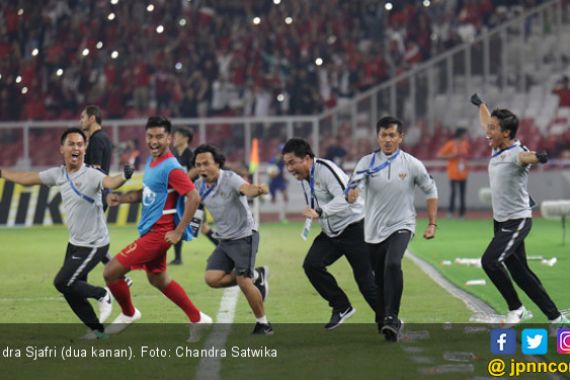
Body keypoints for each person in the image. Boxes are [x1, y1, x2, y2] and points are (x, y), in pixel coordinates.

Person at [0, 128, 133, 339]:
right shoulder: (58, 174)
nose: (76, 148)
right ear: (62, 149)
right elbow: (28, 178)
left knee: (62, 282)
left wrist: (124, 176)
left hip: (95, 244)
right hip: (75, 243)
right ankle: (98, 332)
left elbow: (110, 182)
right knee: (69, 289)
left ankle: (102, 294)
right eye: (71, 144)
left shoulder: (92, 174)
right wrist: (3, 173)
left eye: (80, 144)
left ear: (84, 149)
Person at [103, 116, 212, 342]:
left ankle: (128, 314)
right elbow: (148, 194)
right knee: (158, 280)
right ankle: (197, 318)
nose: (154, 141)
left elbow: (193, 197)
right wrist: (122, 199)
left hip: (159, 234)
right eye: (150, 136)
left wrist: (178, 231)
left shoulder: (172, 167)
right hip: (150, 231)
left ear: (169, 138)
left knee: (111, 272)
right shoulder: (152, 163)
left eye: (159, 137)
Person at [470, 93, 569, 328]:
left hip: (517, 221)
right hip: (501, 221)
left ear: (506, 133)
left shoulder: (515, 153)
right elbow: (486, 121)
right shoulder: (496, 145)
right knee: (521, 274)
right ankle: (555, 317)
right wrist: (482, 104)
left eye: (493, 129)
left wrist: (540, 157)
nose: (487, 132)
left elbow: (527, 157)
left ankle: (517, 309)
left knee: (490, 261)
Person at [347, 116, 438, 342]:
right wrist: (351, 194)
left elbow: (430, 190)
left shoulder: (412, 164)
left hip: (402, 224)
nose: (387, 139)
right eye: (383, 135)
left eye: (392, 135)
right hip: (373, 230)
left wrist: (432, 223)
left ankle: (392, 317)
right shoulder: (366, 162)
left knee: (393, 263)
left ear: (400, 137)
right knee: (378, 280)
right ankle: (386, 319)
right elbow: (351, 188)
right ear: (377, 137)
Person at [282, 138, 377, 330]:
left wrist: (320, 212)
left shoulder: (325, 169)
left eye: (292, 162)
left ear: (306, 158)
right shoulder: (305, 177)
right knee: (312, 265)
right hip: (332, 232)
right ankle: (342, 306)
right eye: (287, 164)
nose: (289, 168)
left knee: (365, 282)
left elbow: (346, 197)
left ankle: (390, 319)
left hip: (355, 228)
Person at [193, 144, 273, 335]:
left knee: (243, 281)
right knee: (211, 279)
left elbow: (247, 189)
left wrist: (258, 190)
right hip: (225, 240)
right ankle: (257, 275)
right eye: (198, 165)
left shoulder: (230, 179)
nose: (202, 168)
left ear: (218, 163)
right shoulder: (198, 186)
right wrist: (193, 224)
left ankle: (263, 324)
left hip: (245, 236)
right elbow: (195, 206)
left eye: (206, 163)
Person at [80, 105, 132, 286]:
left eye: (83, 117)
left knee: (86, 240)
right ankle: (120, 274)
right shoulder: (102, 138)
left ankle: (81, 279)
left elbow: (95, 171)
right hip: (101, 194)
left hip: (95, 195)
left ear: (92, 118)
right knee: (91, 239)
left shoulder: (96, 139)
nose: (81, 121)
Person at [170, 127, 219, 265]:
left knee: (199, 227)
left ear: (185, 138)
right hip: (183, 197)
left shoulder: (190, 155)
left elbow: (196, 171)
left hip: (194, 197)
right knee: (183, 224)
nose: (174, 138)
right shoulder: (176, 155)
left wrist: (180, 180)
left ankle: (223, 248)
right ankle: (178, 258)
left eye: (178, 136)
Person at [437, 127, 470, 219]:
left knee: (462, 194)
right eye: (465, 134)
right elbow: (439, 155)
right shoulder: (451, 144)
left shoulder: (465, 144)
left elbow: (466, 156)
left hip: (463, 172)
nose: (466, 136)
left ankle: (462, 214)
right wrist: (451, 156)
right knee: (453, 193)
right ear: (460, 134)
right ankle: (450, 212)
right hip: (453, 172)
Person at [267, 148, 289, 223]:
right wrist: (273, 174)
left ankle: (282, 217)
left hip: (280, 181)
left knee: (285, 197)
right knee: (272, 200)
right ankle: (266, 217)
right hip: (273, 182)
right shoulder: (274, 160)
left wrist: (284, 178)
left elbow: (281, 171)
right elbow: (270, 172)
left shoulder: (283, 161)